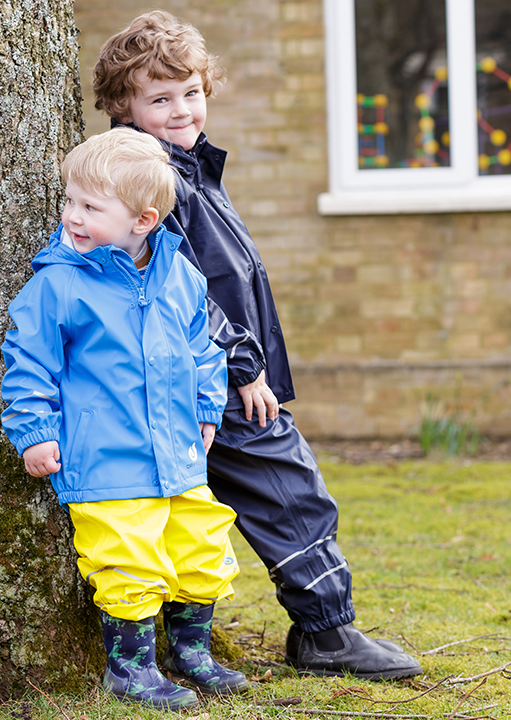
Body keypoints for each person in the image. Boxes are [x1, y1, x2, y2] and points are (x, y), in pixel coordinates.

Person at [91, 11, 422, 681]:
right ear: (123, 105)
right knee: (289, 489)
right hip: (217, 376)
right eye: (159, 98)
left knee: (221, 503)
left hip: (216, 373)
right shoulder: (149, 177)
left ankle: (192, 640)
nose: (181, 109)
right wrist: (243, 367)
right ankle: (327, 632)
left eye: (191, 92)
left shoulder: (190, 168)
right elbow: (177, 287)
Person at [0, 128, 249, 711]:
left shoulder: (181, 278)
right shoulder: (58, 285)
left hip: (180, 456)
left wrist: (208, 404)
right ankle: (130, 668)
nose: (72, 216)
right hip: (107, 459)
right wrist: (34, 432)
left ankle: (193, 654)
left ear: (144, 219)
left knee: (202, 550)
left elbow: (205, 350)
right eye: (69, 201)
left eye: (90, 206)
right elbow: (29, 363)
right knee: (128, 561)